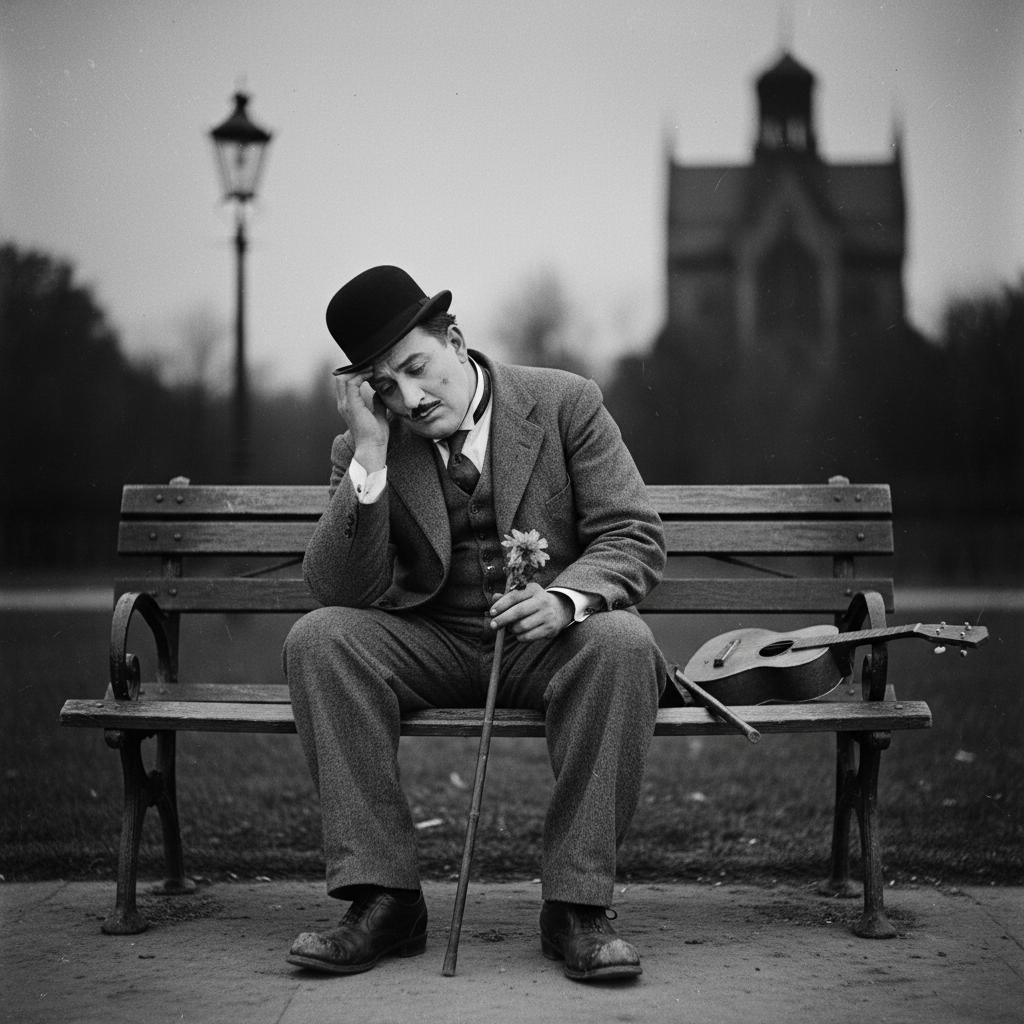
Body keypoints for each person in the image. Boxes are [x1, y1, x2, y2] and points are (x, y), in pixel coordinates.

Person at [283, 265, 668, 982]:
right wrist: (369, 455)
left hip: (545, 642)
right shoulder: (367, 446)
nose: (410, 399)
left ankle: (576, 907)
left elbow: (632, 535)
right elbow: (338, 591)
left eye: (416, 368)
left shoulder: (565, 403)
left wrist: (565, 600)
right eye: (384, 387)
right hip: (430, 643)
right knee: (320, 639)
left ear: (455, 342)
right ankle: (384, 900)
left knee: (622, 641)